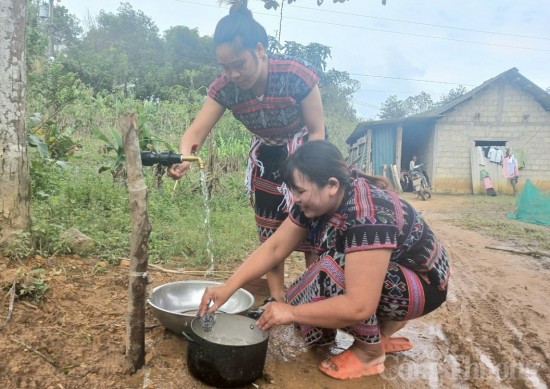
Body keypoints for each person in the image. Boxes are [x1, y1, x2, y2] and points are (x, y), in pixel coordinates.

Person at [199, 140, 450, 380]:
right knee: (302, 294)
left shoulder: (368, 213)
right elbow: (274, 247)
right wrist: (228, 288)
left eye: (299, 190)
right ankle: (381, 334)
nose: (295, 198)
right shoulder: (316, 201)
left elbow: (358, 306)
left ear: (331, 184)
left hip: (422, 286)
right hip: (394, 274)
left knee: (332, 271)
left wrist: (293, 312)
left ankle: (369, 354)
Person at [167, 0, 326, 302]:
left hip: (307, 152)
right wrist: (184, 156)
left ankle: (315, 296)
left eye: (239, 64)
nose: (233, 74)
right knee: (269, 232)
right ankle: (277, 300)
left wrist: (311, 175)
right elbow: (196, 131)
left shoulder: (295, 74)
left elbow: (317, 131)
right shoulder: (225, 88)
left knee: (312, 231)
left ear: (260, 51)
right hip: (267, 158)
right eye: (225, 68)